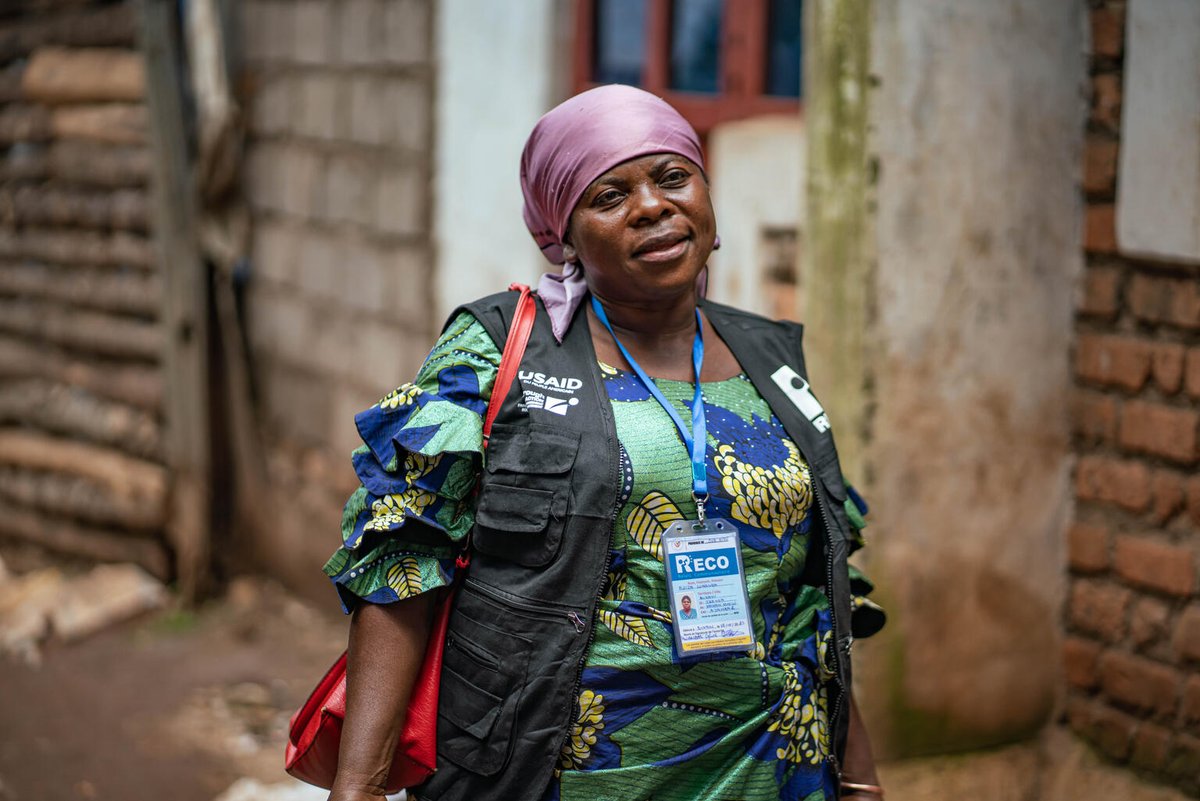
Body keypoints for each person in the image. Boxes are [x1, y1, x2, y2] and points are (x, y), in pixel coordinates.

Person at [322, 84, 886, 801]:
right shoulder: (502, 348)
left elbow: (816, 593)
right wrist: (359, 783)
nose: (652, 205)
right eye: (610, 195)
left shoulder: (767, 356)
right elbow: (405, 553)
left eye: (673, 177)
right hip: (568, 769)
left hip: (774, 764)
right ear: (565, 236)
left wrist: (860, 776)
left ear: (708, 204)